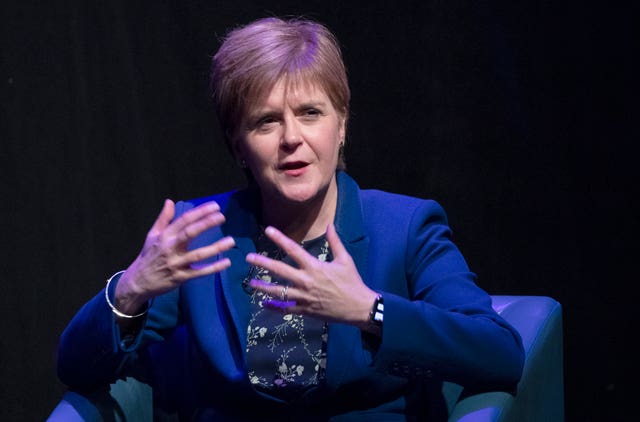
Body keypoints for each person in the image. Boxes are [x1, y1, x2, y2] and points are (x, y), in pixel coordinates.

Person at [56, 16, 524, 421]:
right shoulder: (200, 232)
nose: (291, 138)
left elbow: (499, 351)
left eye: (310, 113)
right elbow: (76, 368)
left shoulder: (403, 228)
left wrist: (370, 311)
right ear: (238, 146)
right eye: (265, 121)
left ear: (341, 126)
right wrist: (132, 288)